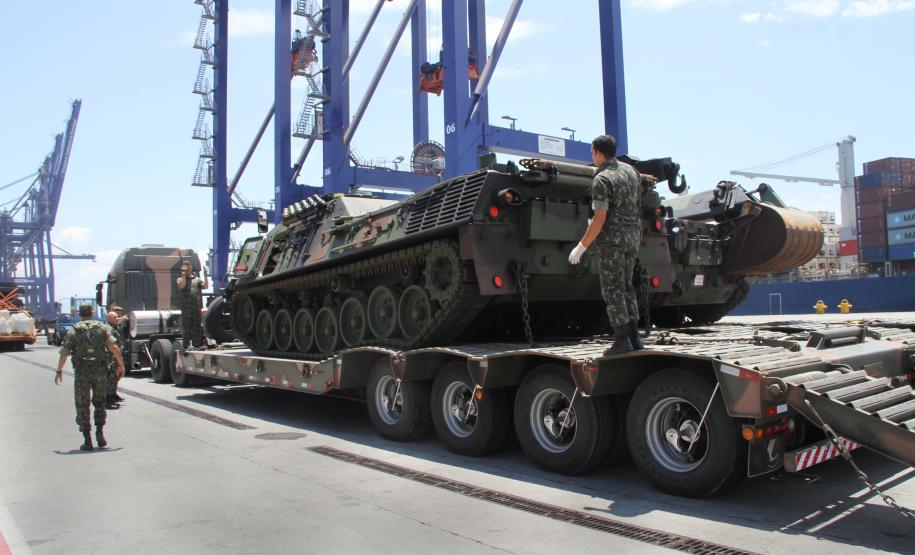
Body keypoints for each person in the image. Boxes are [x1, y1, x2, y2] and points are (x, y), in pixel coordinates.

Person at [568, 134, 644, 355]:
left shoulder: (602, 179)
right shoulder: (631, 171)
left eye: (592, 152)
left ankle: (621, 340)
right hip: (632, 237)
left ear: (598, 153)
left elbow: (600, 218)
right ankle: (634, 338)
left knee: (613, 289)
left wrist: (581, 246)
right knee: (628, 287)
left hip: (612, 241)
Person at [55, 303, 125, 451]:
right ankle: (100, 433)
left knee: (82, 405)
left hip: (82, 374)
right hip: (100, 372)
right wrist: (121, 365)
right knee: (100, 403)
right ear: (92, 313)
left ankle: (87, 440)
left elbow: (64, 353)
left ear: (80, 314)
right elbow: (114, 347)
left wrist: (59, 371)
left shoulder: (74, 331)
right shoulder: (102, 328)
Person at [177, 261, 208, 349]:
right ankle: (186, 346)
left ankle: (197, 345)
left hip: (196, 309)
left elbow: (205, 287)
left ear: (191, 268)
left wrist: (205, 275)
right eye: (185, 267)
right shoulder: (180, 279)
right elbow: (181, 286)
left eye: (188, 267)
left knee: (197, 328)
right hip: (186, 309)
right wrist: (183, 274)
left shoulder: (197, 279)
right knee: (186, 329)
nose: (187, 269)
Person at [105, 306, 128, 408]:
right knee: (110, 377)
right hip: (111, 357)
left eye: (118, 315)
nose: (118, 317)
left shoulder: (115, 326)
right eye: (115, 316)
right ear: (109, 319)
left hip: (116, 355)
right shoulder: (108, 328)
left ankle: (113, 394)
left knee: (115, 377)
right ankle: (108, 396)